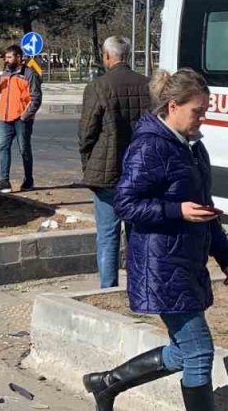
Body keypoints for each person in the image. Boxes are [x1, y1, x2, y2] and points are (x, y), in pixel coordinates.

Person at [82, 69, 228, 411]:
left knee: (183, 352)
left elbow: (204, 206)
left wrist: (225, 256)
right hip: (161, 265)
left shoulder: (193, 147)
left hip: (187, 262)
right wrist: (175, 210)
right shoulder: (150, 146)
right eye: (197, 111)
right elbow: (125, 204)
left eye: (205, 110)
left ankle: (106, 384)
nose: (203, 117)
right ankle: (106, 385)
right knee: (199, 353)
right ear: (173, 106)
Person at [78, 36, 149, 289]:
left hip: (107, 172)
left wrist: (88, 163)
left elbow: (86, 133)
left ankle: (108, 289)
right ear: (127, 55)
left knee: (108, 235)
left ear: (107, 56)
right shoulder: (148, 85)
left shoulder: (98, 87)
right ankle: (139, 287)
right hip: (140, 171)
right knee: (137, 235)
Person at [0, 44, 42, 192]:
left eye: (10, 57)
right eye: (6, 57)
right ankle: (4, 181)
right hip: (5, 118)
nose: (7, 60)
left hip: (22, 119)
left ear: (18, 57)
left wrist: (25, 116)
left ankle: (28, 180)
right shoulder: (5, 73)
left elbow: (36, 98)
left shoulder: (29, 74)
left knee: (24, 149)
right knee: (3, 146)